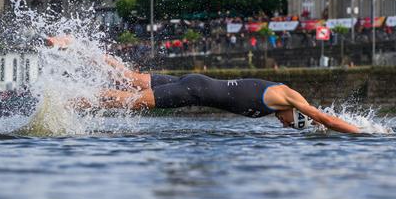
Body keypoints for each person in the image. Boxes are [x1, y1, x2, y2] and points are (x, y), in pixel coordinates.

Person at [47, 37, 360, 134]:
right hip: (192, 91)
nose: (283, 124)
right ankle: (68, 102)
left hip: (195, 83)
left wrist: (320, 130)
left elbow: (320, 122)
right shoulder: (288, 100)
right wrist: (363, 133)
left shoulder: (284, 98)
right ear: (297, 114)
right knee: (127, 100)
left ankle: (75, 46)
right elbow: (325, 119)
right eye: (290, 125)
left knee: (129, 77)